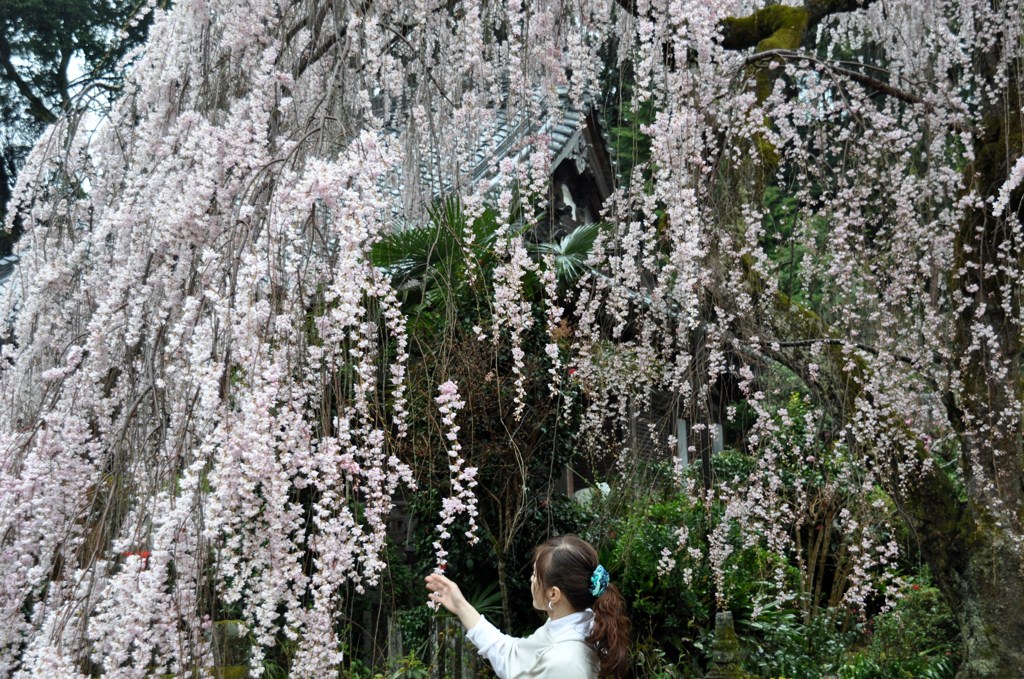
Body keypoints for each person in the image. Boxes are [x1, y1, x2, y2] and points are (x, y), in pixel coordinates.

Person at [424, 534, 630, 678]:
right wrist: (460, 605)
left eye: (534, 575)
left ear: (553, 594)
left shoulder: (566, 660)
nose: (531, 580)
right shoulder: (572, 626)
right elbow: (511, 653)